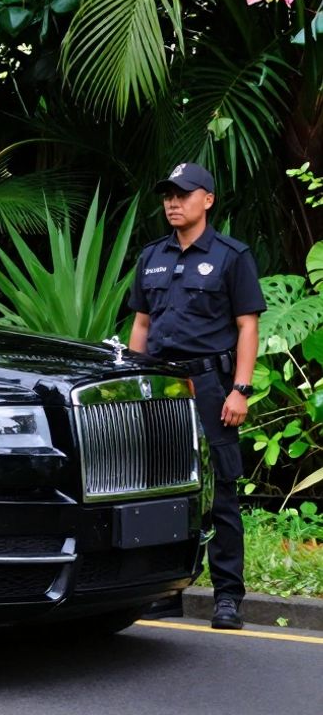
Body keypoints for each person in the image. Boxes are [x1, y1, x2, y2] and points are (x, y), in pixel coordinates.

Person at [126, 162, 265, 630]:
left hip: (209, 386)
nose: (173, 202)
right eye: (168, 194)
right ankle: (165, 589)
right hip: (160, 387)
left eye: (183, 194)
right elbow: (141, 326)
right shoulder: (152, 257)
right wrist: (132, 384)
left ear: (207, 199)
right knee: (159, 488)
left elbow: (248, 326)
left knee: (221, 493)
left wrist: (240, 390)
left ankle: (228, 597)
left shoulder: (231, 256)